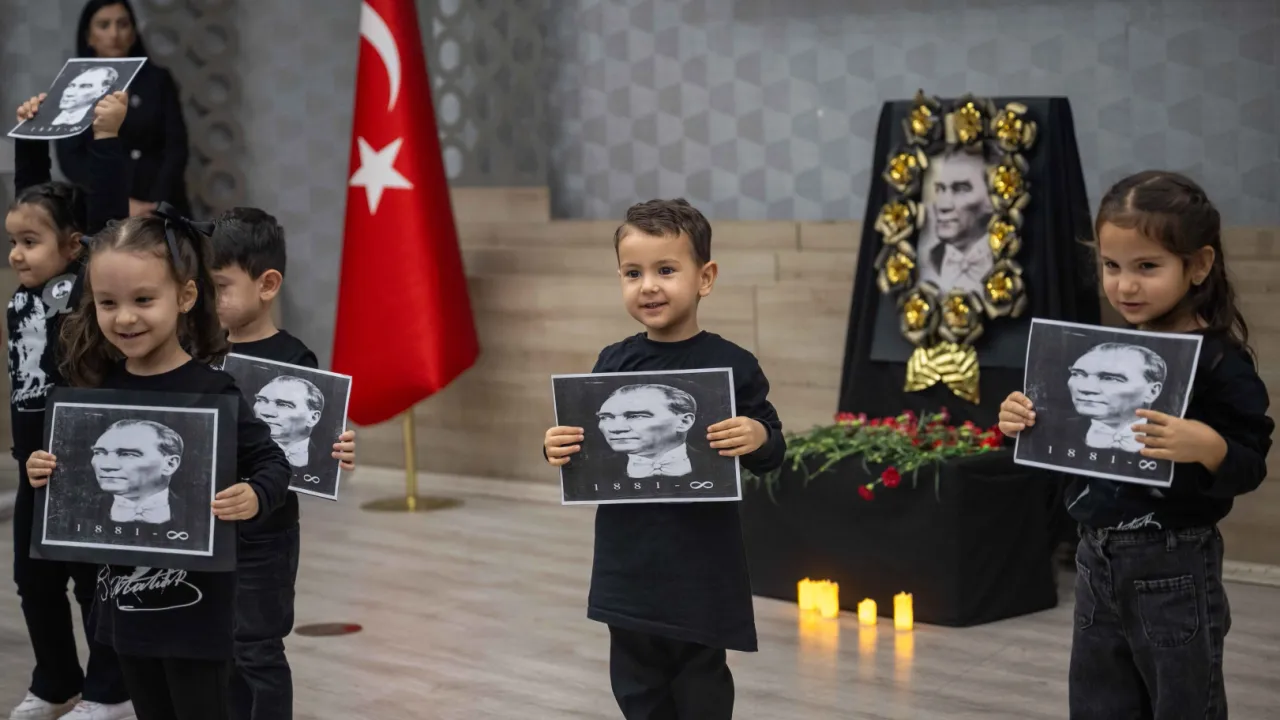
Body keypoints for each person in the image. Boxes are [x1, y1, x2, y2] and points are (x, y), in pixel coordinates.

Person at [998, 171, 1274, 719]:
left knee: (1183, 703)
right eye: (1111, 266)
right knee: (1099, 701)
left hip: (1174, 563)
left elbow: (1250, 461)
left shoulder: (1220, 361)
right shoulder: (1109, 348)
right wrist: (1022, 422)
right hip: (1094, 556)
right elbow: (1066, 450)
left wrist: (1208, 445)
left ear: (1198, 265)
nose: (1125, 286)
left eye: (1147, 267)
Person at [25, 211, 293, 720]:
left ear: (185, 297)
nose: (124, 318)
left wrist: (255, 494)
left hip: (199, 619)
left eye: (143, 300)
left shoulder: (213, 390)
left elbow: (272, 463)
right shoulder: (96, 391)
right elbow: (74, 486)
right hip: (125, 615)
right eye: (108, 303)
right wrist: (45, 471)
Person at [542, 198, 786, 719]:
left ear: (705, 278)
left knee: (702, 691)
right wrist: (556, 446)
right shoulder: (612, 362)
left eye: (666, 270)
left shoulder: (733, 364)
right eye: (633, 273)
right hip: (626, 569)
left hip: (701, 569)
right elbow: (587, 450)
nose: (648, 286)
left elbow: (773, 453)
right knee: (636, 690)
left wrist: (758, 435)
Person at [6, 91, 132, 720]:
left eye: (29, 243)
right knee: (33, 580)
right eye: (13, 241)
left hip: (82, 460)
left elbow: (107, 223)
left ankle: (111, 689)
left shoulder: (83, 286)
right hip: (34, 464)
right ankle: (57, 681)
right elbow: (33, 199)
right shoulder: (26, 292)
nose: (16, 254)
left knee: (92, 580)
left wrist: (107, 140)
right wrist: (32, 135)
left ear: (75, 247)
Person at [209, 206, 356, 720]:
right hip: (208, 531)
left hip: (266, 536)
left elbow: (314, 448)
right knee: (217, 649)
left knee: (257, 650)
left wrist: (336, 451)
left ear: (267, 284)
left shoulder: (295, 359)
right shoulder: (196, 354)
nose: (206, 300)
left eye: (220, 287)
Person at [57, 0, 192, 217]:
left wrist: (153, 205)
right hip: (101, 206)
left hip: (161, 206)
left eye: (122, 24)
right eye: (104, 25)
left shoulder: (158, 80)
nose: (114, 34)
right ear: (88, 36)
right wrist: (119, 201)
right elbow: (70, 159)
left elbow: (176, 148)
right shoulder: (74, 86)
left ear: (133, 32)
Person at [918, 149, 994, 295]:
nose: (942, 206)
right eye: (940, 189)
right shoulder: (928, 259)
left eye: (961, 189)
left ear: (992, 199)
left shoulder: (1007, 257)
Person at [597, 384, 701, 478]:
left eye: (636, 416)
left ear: (684, 422)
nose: (615, 429)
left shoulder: (709, 463)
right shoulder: (593, 471)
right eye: (606, 417)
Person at [52, 66, 119, 127]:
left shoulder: (101, 120)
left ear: (102, 91)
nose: (69, 93)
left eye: (84, 87)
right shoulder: (49, 115)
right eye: (71, 86)